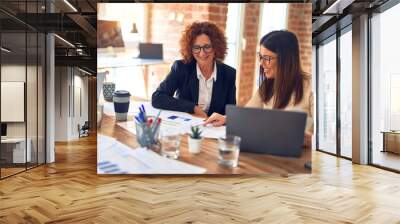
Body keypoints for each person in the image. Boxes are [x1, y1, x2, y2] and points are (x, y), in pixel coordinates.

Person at [204, 30, 314, 147]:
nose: (261, 63)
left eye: (267, 58)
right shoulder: (267, 86)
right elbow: (248, 115)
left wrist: (311, 140)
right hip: (268, 151)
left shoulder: (311, 87)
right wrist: (227, 119)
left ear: (285, 60)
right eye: (260, 57)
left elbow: (323, 137)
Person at [151, 21, 236, 118]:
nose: (202, 53)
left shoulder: (229, 74)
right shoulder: (181, 68)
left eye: (207, 47)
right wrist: (192, 108)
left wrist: (224, 118)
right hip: (185, 126)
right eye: (196, 47)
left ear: (216, 47)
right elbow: (157, 98)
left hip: (214, 129)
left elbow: (231, 112)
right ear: (190, 49)